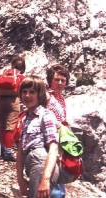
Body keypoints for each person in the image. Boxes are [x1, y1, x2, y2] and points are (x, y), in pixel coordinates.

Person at [16, 76, 60, 198]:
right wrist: (20, 178)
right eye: (24, 91)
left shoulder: (45, 115)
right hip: (32, 165)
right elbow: (20, 150)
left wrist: (45, 179)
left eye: (32, 92)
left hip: (42, 165)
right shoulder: (25, 118)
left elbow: (53, 147)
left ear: (39, 94)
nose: (27, 95)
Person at [0, 55, 25, 162]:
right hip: (14, 101)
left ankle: (1, 148)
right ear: (23, 67)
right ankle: (8, 151)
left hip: (1, 100)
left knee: (1, 125)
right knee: (10, 126)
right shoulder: (20, 77)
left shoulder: (3, 75)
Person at [46, 65, 70, 198]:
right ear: (50, 80)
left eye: (63, 80)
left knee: (60, 172)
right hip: (49, 141)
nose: (60, 83)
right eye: (57, 80)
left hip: (61, 140)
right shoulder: (47, 96)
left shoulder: (61, 99)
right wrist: (61, 125)